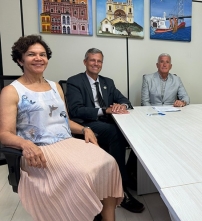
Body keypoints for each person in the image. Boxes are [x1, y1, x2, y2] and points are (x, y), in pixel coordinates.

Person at [0, 35, 123, 221]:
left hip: (66, 142)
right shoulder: (11, 91)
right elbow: (4, 134)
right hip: (38, 149)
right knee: (83, 173)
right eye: (31, 54)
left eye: (42, 54)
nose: (38, 58)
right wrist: (25, 145)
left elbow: (64, 121)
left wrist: (84, 130)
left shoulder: (55, 87)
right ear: (20, 59)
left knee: (109, 163)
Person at [66, 48, 145, 213]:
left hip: (108, 121)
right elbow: (75, 110)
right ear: (85, 62)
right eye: (92, 60)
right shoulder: (74, 81)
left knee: (134, 131)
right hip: (87, 124)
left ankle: (128, 173)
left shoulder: (107, 82)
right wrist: (104, 110)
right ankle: (121, 187)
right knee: (115, 134)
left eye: (99, 61)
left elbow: (124, 100)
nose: (96, 64)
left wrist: (119, 105)